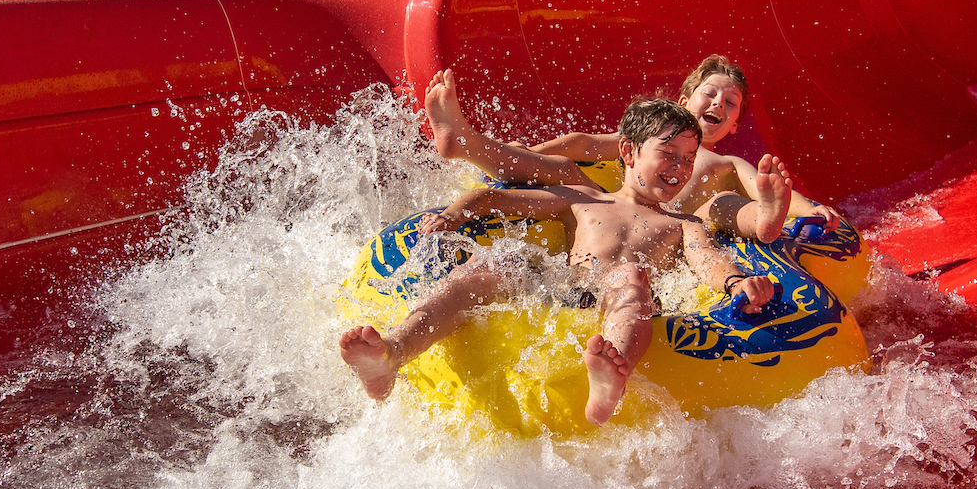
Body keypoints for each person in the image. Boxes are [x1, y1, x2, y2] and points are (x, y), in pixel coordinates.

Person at [339, 99, 791, 424]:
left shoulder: (681, 224)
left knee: (631, 276)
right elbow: (502, 198)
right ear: (630, 153)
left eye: (688, 160)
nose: (679, 168)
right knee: (495, 266)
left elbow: (706, 259)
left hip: (618, 299)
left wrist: (734, 282)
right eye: (668, 155)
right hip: (564, 287)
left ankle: (611, 375)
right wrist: (456, 213)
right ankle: (393, 352)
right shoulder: (582, 197)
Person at [421, 54, 843, 238]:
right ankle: (467, 143)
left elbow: (761, 188)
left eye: (730, 104)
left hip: (677, 229)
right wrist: (530, 153)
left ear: (733, 125)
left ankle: (764, 224)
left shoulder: (727, 161)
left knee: (722, 204)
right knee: (569, 174)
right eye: (709, 94)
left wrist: (810, 209)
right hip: (614, 214)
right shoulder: (649, 139)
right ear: (683, 101)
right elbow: (585, 143)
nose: (718, 103)